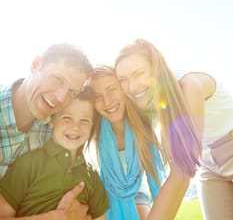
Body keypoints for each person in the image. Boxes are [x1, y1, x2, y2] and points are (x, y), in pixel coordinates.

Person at [114, 38, 233, 220]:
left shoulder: (189, 85)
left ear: (156, 68)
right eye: (123, 79)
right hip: (210, 165)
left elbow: (182, 171)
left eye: (139, 73)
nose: (132, 86)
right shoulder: (148, 104)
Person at [0, 42, 93, 220]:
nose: (61, 97)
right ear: (36, 65)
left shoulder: (56, 132)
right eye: (58, 79)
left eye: (72, 92)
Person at [0, 88, 109, 219]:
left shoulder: (91, 175)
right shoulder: (28, 164)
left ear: (92, 125)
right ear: (51, 121)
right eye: (67, 118)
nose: (76, 127)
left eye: (84, 121)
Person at [88, 65, 166, 220]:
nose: (107, 101)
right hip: (104, 194)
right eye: (98, 96)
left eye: (112, 89)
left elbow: (155, 177)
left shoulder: (142, 121)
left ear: (123, 89)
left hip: (137, 189)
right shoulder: (92, 125)